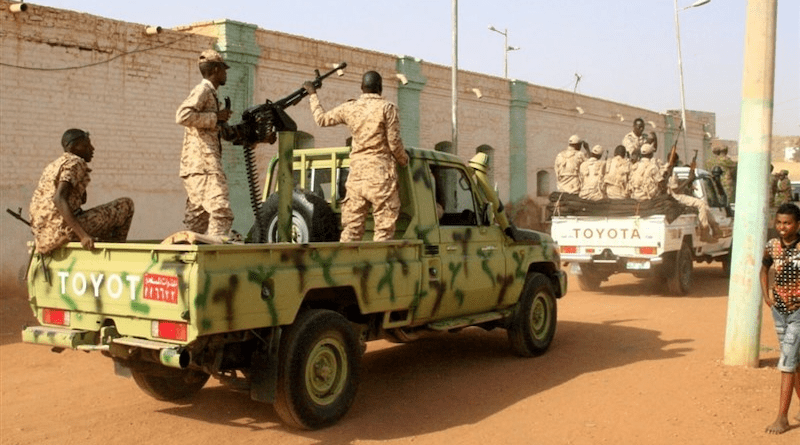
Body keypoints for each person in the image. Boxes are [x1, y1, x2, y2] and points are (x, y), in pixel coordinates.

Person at [303, 70, 409, 242]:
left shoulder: (349, 108)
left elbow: (321, 119)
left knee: (351, 232)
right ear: (380, 88)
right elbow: (394, 144)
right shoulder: (387, 109)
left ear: (361, 87)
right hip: (380, 178)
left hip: (356, 178)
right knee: (383, 231)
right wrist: (404, 161)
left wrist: (313, 95)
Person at [29, 129, 134, 254]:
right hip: (63, 230)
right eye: (87, 144)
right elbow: (59, 198)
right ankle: (115, 252)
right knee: (125, 205)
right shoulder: (75, 162)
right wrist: (82, 235)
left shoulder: (53, 165)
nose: (92, 148)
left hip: (45, 234)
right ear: (73, 147)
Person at [176, 49, 235, 243]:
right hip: (204, 164)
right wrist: (215, 117)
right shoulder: (204, 90)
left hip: (196, 165)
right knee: (221, 211)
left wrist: (221, 121)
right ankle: (216, 255)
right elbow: (182, 115)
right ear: (216, 70)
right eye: (224, 70)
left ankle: (187, 254)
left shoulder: (211, 93)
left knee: (198, 219)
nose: (226, 74)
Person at [760, 203, 800, 435]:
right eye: (779, 223)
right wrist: (767, 295)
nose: (782, 227)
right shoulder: (772, 246)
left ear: (797, 224)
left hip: (798, 313)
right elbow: (764, 269)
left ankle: (782, 418)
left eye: (787, 223)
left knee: (786, 361)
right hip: (780, 312)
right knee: (795, 363)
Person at [666, 155, 722, 242]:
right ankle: (705, 232)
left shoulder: (671, 170)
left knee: (705, 207)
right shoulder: (671, 171)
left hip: (676, 194)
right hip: (675, 196)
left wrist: (689, 182)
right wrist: (688, 180)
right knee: (701, 204)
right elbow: (676, 190)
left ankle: (715, 228)